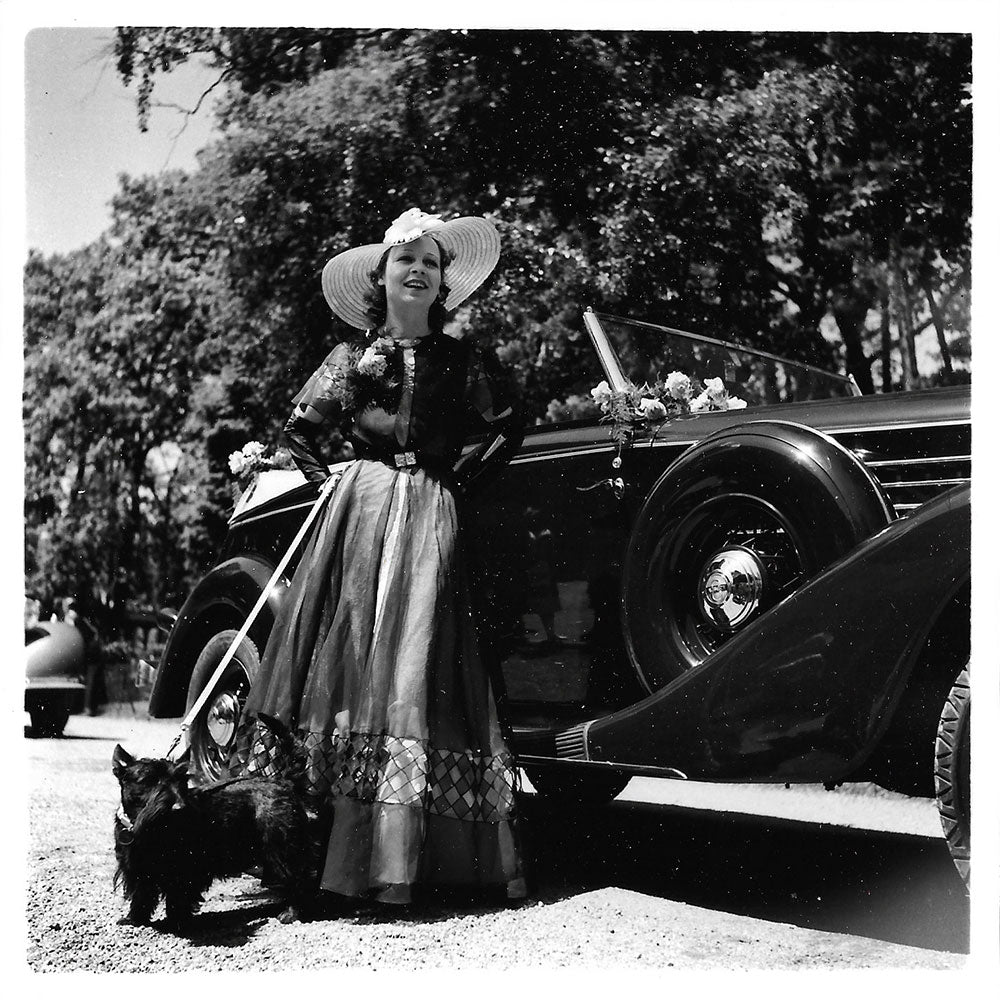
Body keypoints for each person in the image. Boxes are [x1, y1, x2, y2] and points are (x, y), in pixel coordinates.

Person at [230, 208, 526, 908]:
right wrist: (333, 486)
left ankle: (411, 860)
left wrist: (461, 481)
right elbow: (301, 431)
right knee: (353, 662)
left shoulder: (464, 360)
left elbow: (508, 423)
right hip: (360, 513)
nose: (419, 270)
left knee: (417, 663)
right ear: (382, 279)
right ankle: (325, 851)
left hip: (432, 512)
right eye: (406, 261)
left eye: (430, 261)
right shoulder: (350, 358)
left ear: (443, 281)